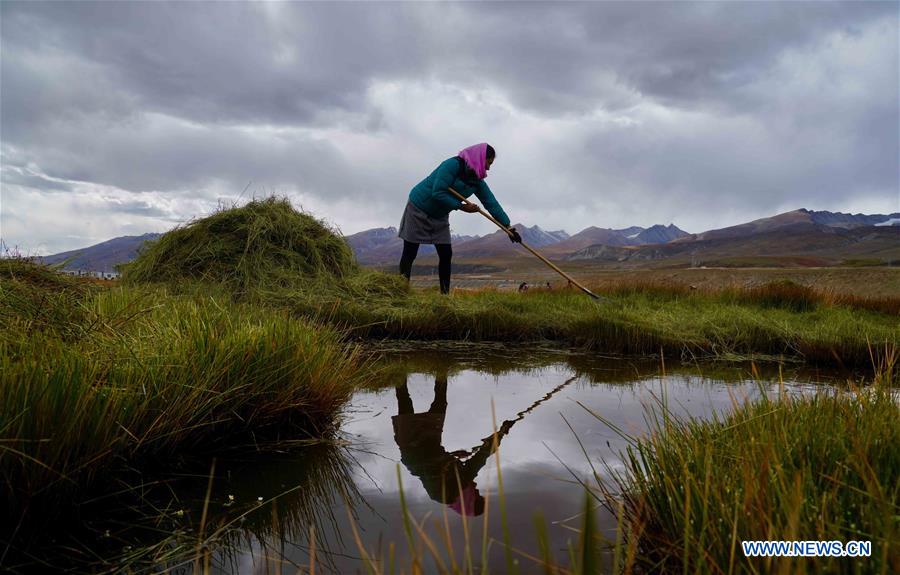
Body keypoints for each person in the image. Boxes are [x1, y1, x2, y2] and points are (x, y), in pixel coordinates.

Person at [398, 143, 522, 294]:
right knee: (410, 252)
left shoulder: (476, 180)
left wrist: (508, 227)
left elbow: (491, 203)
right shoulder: (451, 165)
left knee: (446, 254)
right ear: (480, 158)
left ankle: (445, 296)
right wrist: (462, 207)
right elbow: (438, 192)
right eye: (488, 162)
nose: (488, 168)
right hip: (419, 208)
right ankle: (401, 291)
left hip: (440, 215)